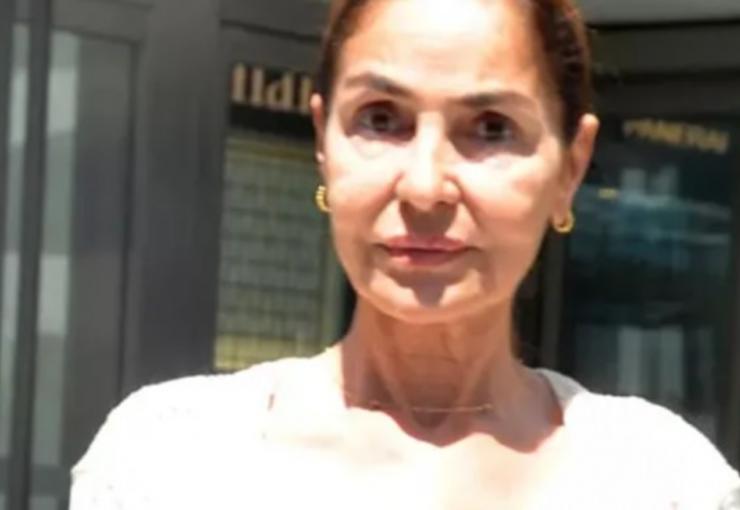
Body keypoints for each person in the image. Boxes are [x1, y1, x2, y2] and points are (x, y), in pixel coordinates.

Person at [70, 0, 740, 508]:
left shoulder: (661, 482)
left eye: (491, 128)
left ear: (570, 166)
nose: (424, 186)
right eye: (382, 118)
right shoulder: (169, 460)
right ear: (323, 142)